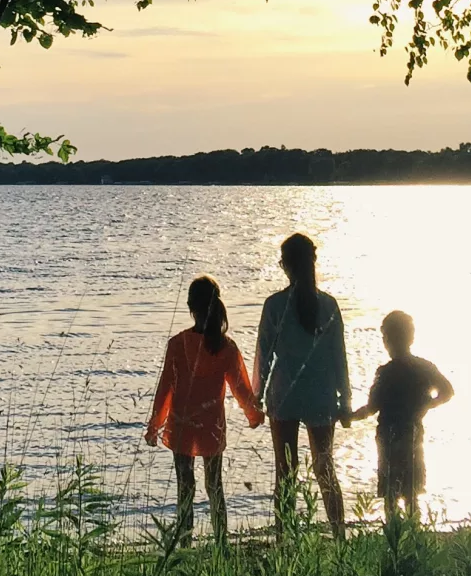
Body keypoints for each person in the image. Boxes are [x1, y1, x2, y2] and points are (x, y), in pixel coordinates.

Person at [145, 275, 263, 548]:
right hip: (212, 427)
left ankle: (184, 544)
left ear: (190, 307)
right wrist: (253, 414)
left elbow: (165, 388)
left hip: (181, 425)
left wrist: (155, 425)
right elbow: (241, 388)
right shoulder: (226, 346)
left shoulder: (177, 344)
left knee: (184, 487)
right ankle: (221, 545)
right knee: (215, 486)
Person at [254, 233, 352, 540]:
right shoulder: (329, 305)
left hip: (284, 397)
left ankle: (285, 539)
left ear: (285, 266)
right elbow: (339, 356)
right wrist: (345, 399)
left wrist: (255, 395)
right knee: (325, 469)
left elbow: (264, 355)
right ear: (312, 263)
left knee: (285, 472)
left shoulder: (274, 305)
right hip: (322, 395)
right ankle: (339, 537)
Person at [351, 310, 454, 525]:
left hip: (388, 436)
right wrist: (427, 405)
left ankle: (393, 533)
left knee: (390, 493)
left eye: (385, 337)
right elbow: (447, 391)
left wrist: (349, 417)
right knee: (411, 491)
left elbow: (371, 408)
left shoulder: (385, 372)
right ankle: (414, 531)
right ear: (411, 337)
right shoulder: (425, 368)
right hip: (413, 432)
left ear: (387, 340)